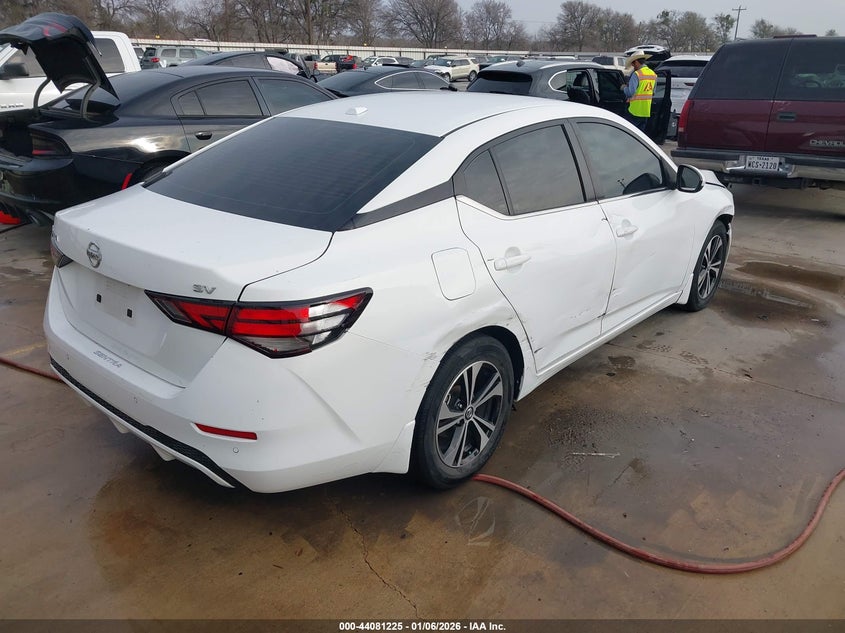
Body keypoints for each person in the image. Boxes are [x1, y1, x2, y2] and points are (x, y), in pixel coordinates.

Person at [621, 51, 656, 132]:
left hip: (634, 111)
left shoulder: (637, 74)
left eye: (633, 64)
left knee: (629, 134)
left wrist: (623, 88)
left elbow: (630, 93)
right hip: (645, 111)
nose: (633, 66)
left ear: (636, 62)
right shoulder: (653, 74)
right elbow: (653, 92)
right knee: (639, 136)